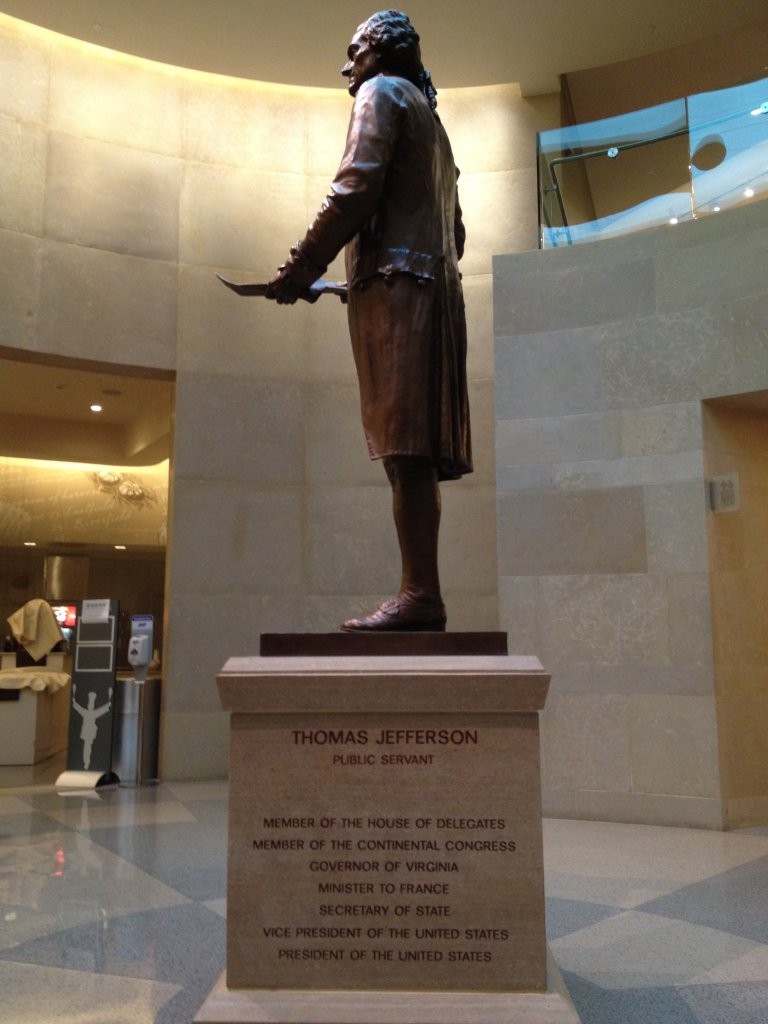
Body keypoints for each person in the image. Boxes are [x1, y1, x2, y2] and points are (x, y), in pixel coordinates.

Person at [267, 10, 471, 631]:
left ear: (381, 51)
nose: (346, 65)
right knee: (412, 453)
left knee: (406, 450)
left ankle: (420, 595)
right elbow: (454, 233)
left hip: (402, 295)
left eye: (354, 51)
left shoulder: (380, 94)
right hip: (433, 293)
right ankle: (422, 592)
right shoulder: (434, 124)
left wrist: (300, 268)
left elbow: (353, 189)